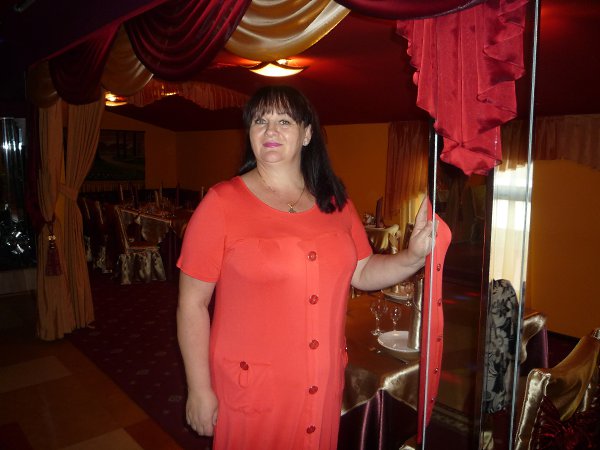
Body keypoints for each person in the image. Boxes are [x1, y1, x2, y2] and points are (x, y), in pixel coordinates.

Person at [176, 85, 434, 449]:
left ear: (307, 133)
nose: (270, 130)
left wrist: (413, 256)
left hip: (320, 384)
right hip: (254, 386)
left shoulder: (335, 203)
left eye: (284, 121)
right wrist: (199, 389)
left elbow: (363, 272)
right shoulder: (221, 204)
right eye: (260, 121)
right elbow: (192, 303)